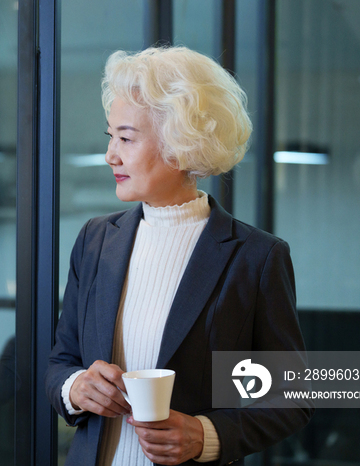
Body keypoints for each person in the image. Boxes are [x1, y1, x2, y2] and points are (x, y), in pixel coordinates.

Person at [45, 46, 314, 466]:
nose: (110, 155)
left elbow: (292, 397)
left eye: (127, 138)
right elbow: (60, 361)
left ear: (179, 143)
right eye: (110, 136)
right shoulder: (95, 240)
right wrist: (75, 387)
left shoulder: (257, 257)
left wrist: (206, 436)